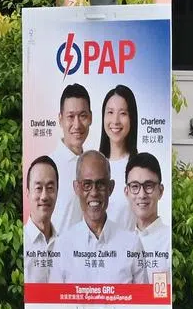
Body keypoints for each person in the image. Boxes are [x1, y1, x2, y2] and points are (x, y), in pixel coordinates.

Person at [54, 151, 148, 285]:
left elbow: (143, 301)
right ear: (76, 188)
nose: (94, 193)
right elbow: (54, 304)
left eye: (100, 184)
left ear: (110, 187)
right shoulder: (62, 246)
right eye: (87, 185)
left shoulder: (132, 244)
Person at [50, 84, 93, 231]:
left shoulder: (94, 165)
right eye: (70, 116)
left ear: (90, 118)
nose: (77, 124)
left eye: (82, 116)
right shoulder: (49, 168)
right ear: (60, 119)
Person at [125, 152, 170, 278]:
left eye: (148, 186)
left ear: (160, 191)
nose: (142, 195)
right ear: (126, 192)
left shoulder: (169, 241)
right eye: (135, 186)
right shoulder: (120, 242)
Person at [98, 84, 139, 226]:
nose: (115, 121)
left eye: (122, 113)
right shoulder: (92, 166)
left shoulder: (139, 169)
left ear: (132, 118)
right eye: (110, 112)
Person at [23, 155, 61, 283]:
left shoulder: (65, 245)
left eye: (50, 188)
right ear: (27, 192)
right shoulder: (20, 244)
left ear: (57, 192)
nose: (44, 196)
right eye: (38, 188)